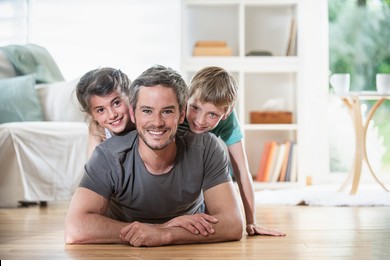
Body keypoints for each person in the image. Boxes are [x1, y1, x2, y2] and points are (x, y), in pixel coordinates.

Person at [65, 65, 243, 247]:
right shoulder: (106, 152)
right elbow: (75, 229)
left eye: (167, 111)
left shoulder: (206, 147)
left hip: (189, 244)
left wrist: (165, 234)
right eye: (147, 111)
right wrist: (154, 229)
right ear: (134, 113)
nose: (157, 122)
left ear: (182, 114)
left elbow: (233, 224)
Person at [181, 66, 285, 237]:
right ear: (187, 98)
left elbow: (242, 171)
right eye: (195, 108)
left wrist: (251, 221)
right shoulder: (177, 105)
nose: (199, 120)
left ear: (226, 114)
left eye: (212, 115)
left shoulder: (229, 121)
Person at [75, 67, 135, 157]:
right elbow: (93, 165)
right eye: (101, 110)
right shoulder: (97, 128)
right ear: (92, 115)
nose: (112, 115)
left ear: (130, 97)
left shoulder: (141, 120)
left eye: (116, 103)